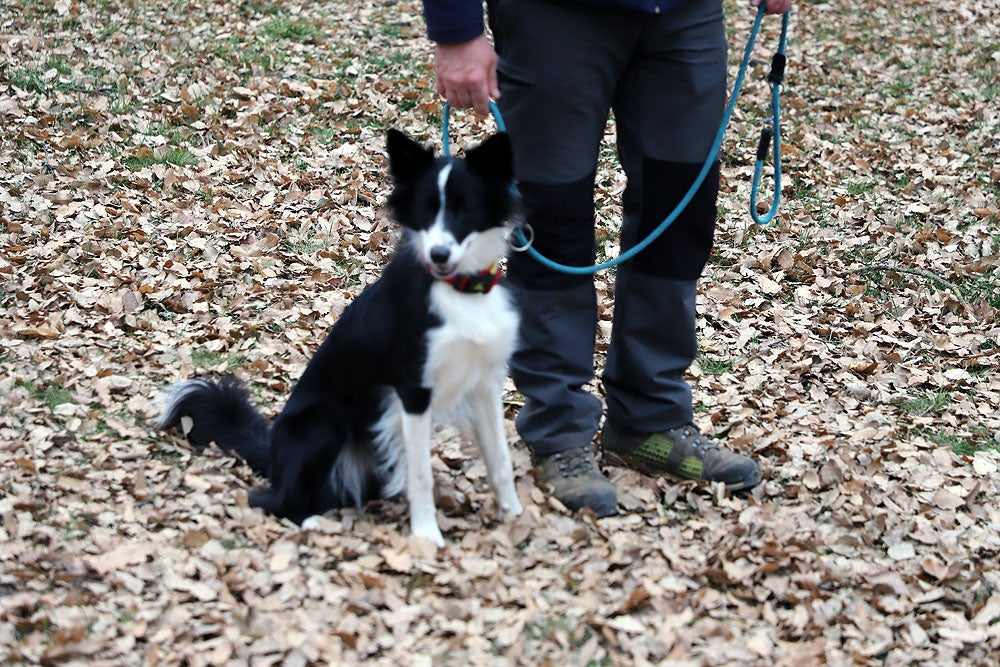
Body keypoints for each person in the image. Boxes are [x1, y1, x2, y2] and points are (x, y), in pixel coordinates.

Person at [421, 0, 792, 516]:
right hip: (551, 17)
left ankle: (650, 419)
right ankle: (558, 432)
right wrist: (455, 29)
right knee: (551, 216)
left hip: (684, 15)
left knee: (679, 207)